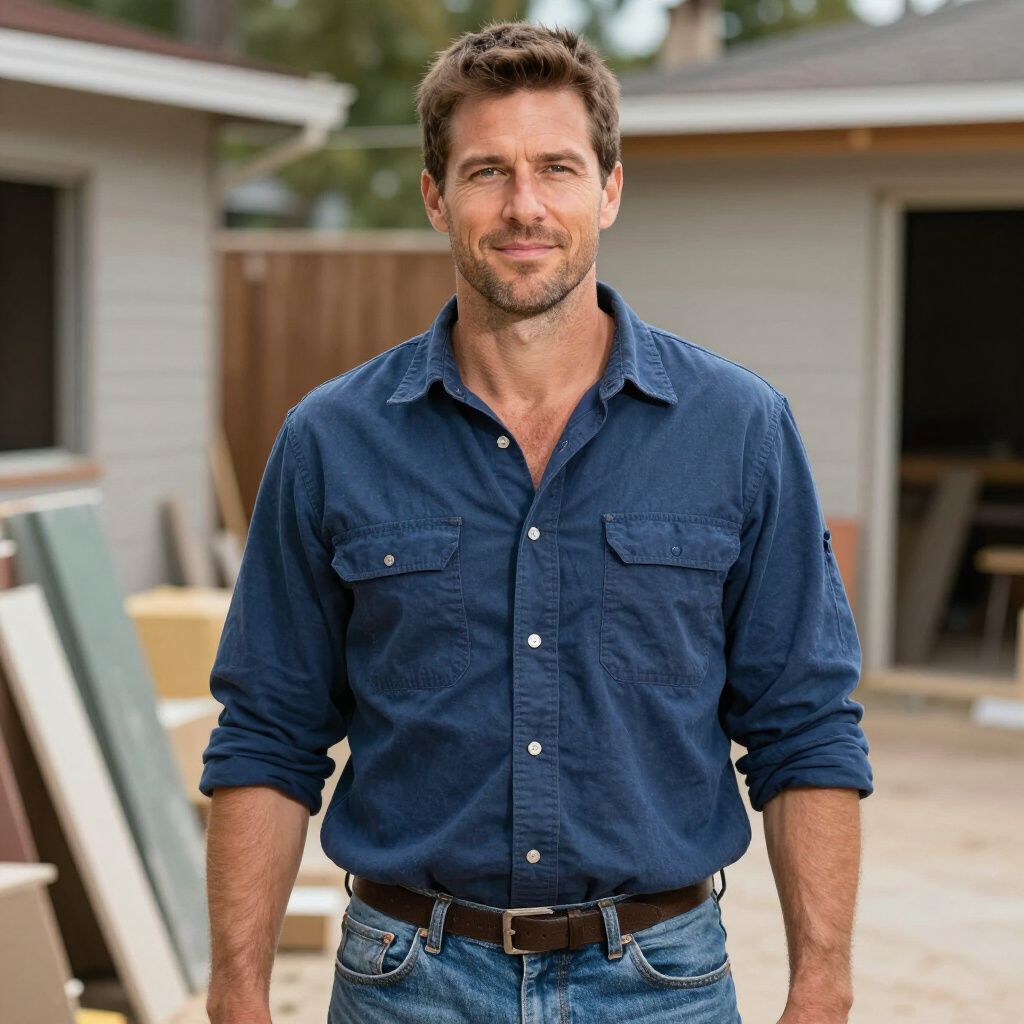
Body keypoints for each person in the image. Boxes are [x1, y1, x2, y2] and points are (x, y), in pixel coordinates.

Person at [199, 21, 873, 1024]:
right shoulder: (330, 441)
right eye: (486, 172)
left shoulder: (738, 430)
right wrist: (236, 989)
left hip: (662, 985)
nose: (524, 206)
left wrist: (821, 981)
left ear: (608, 187)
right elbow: (268, 731)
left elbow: (804, 723)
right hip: (406, 984)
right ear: (435, 196)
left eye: (556, 167)